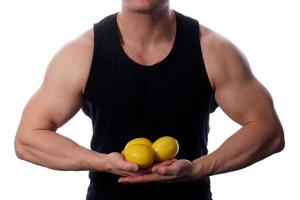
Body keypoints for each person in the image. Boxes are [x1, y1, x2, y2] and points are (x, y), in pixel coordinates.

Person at [14, 0, 285, 199]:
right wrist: (101, 161)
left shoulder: (213, 49)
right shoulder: (80, 54)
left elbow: (268, 131)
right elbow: (28, 140)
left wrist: (196, 169)